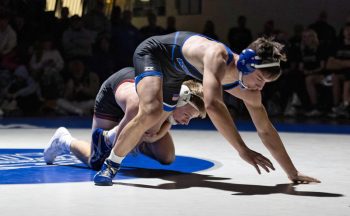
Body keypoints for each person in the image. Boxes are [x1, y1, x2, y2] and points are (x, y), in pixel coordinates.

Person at [94, 31, 321, 186]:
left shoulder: (250, 90)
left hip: (177, 73)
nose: (260, 86)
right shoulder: (217, 56)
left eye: (266, 83)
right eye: (260, 77)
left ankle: (112, 140)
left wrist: (292, 172)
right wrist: (242, 149)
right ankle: (110, 165)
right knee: (151, 111)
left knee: (156, 129)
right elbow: (213, 105)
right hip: (155, 54)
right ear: (246, 62)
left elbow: (265, 129)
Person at [44, 67, 206, 172]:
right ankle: (64, 140)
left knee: (167, 156)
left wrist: (154, 136)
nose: (186, 122)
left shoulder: (173, 98)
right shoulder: (142, 105)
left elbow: (168, 121)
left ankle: (136, 140)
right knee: (95, 161)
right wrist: (133, 138)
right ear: (181, 100)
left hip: (140, 98)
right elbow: (141, 117)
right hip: (113, 99)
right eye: (187, 115)